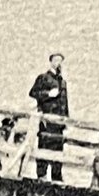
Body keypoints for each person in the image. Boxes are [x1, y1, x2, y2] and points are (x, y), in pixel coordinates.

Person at [29, 53, 69, 181]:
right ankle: (41, 176)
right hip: (47, 121)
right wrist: (48, 94)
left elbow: (65, 103)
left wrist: (66, 121)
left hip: (59, 123)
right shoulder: (43, 78)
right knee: (44, 147)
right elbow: (33, 93)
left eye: (61, 61)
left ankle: (57, 178)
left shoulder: (62, 82)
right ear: (51, 62)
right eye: (56, 60)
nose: (59, 63)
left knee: (58, 150)